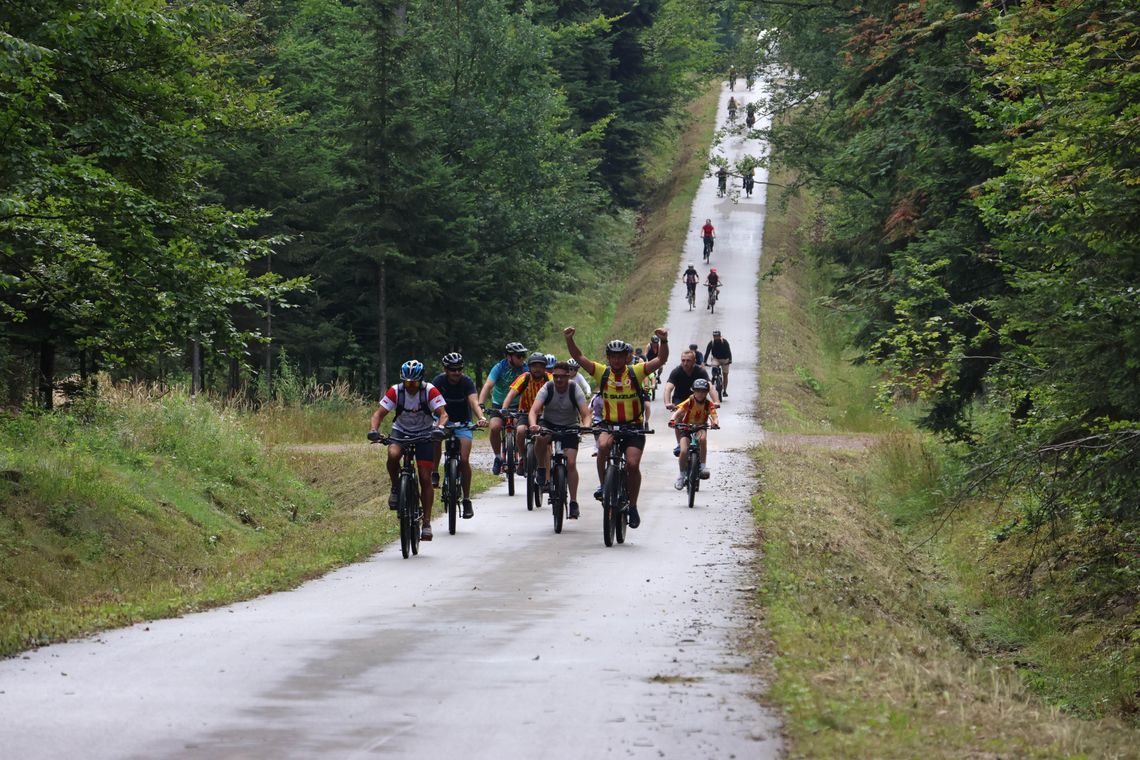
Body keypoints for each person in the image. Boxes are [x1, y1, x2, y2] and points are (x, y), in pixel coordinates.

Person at [564, 327, 670, 530]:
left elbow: (661, 360)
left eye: (620, 356)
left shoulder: (635, 371)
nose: (616, 360)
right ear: (608, 357)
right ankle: (604, 486)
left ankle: (633, 505)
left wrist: (663, 342)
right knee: (603, 446)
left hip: (633, 427)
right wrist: (569, 339)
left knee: (631, 464)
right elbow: (578, 356)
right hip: (610, 425)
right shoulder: (602, 373)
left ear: (626, 356)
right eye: (612, 356)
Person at [368, 360, 449, 541]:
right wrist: (374, 431)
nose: (411, 386)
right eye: (407, 382)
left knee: (425, 477)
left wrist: (440, 428)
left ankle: (426, 523)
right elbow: (378, 414)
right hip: (401, 431)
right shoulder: (395, 391)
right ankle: (396, 487)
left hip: (425, 433)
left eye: (414, 382)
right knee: (393, 454)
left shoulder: (430, 391)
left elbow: (443, 414)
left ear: (421, 380)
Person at [528, 361, 593, 519]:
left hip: (570, 426)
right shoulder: (548, 387)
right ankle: (542, 469)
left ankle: (573, 502)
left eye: (562, 377)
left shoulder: (574, 388)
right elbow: (534, 411)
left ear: (568, 376)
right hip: (549, 424)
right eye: (555, 376)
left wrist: (585, 426)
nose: (558, 380)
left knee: (571, 463)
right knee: (540, 439)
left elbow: (586, 414)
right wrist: (533, 425)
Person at [430, 352, 488, 520]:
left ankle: (467, 499)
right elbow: (431, 402)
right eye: (452, 370)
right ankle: (434, 472)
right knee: (435, 439)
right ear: (445, 370)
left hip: (463, 423)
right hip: (443, 422)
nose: (456, 373)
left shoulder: (467, 382)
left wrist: (481, 417)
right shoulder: (438, 381)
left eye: (459, 369)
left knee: (463, 460)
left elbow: (474, 402)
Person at [477, 341, 528, 475]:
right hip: (499, 404)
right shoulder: (499, 367)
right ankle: (498, 457)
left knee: (520, 428)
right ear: (509, 357)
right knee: (494, 427)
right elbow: (488, 385)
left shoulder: (525, 369)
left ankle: (521, 456)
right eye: (519, 356)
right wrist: (481, 404)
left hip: (518, 404)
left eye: (523, 355)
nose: (522, 358)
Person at [501, 352, 554, 472]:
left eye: (540, 366)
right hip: (524, 413)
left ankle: (546, 469)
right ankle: (523, 457)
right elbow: (511, 394)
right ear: (529, 367)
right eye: (534, 366)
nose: (537, 369)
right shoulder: (524, 377)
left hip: (543, 415)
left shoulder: (549, 378)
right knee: (520, 431)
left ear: (545, 367)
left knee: (545, 438)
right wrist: (504, 408)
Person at [669, 378, 720, 488]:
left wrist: (715, 423)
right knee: (683, 450)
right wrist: (672, 420)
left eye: (703, 391)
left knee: (702, 439)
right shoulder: (689, 401)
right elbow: (678, 412)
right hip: (686, 428)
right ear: (693, 391)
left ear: (707, 392)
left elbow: (714, 416)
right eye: (697, 391)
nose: (700, 394)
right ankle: (681, 475)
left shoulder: (708, 404)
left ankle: (702, 466)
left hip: (700, 427)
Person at [705, 330, 734, 398]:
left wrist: (730, 360)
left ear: (720, 336)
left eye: (717, 336)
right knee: (714, 367)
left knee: (725, 375)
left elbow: (729, 351)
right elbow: (707, 352)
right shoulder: (711, 343)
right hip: (716, 359)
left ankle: (724, 391)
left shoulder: (725, 342)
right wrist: (704, 361)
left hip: (725, 359)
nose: (716, 337)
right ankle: (714, 377)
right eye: (715, 336)